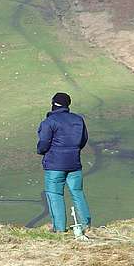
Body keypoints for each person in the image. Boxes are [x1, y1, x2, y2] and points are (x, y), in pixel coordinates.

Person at [37, 92, 90, 232]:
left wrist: (42, 151)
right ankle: (86, 225)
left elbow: (43, 143)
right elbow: (83, 140)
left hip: (54, 165)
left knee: (55, 195)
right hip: (74, 163)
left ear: (53, 104)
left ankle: (59, 229)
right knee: (77, 193)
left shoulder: (49, 122)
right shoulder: (78, 120)